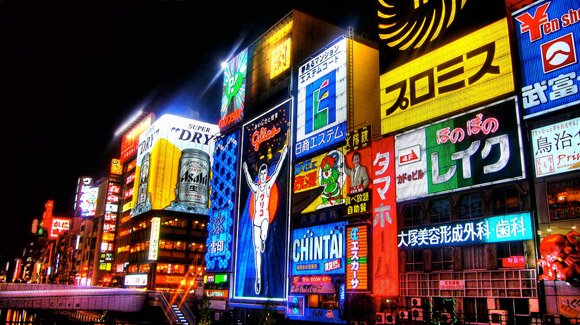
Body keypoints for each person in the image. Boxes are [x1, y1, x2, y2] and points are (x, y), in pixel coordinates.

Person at [242, 145, 288, 294]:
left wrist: (284, 154)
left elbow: (276, 171)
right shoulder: (256, 187)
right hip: (256, 219)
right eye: (261, 174)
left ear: (265, 174)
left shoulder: (268, 184)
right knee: (256, 250)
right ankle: (258, 278)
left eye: (264, 173)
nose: (262, 176)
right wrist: (245, 170)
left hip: (265, 217)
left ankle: (263, 240)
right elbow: (249, 182)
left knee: (263, 233)